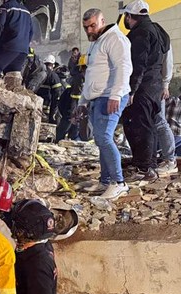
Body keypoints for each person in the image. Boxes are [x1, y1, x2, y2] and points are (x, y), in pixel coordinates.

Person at [73, 9, 132, 200]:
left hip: (110, 96)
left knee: (104, 137)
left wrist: (115, 95)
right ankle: (106, 181)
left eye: (93, 25)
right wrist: (83, 101)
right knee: (101, 139)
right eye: (86, 27)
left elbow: (123, 67)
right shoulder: (97, 42)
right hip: (98, 97)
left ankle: (119, 183)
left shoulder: (115, 38)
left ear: (102, 21)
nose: (89, 30)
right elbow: (91, 75)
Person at [121, 0, 170, 183]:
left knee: (139, 126)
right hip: (155, 86)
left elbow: (138, 64)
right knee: (149, 126)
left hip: (142, 87)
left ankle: (144, 168)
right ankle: (149, 165)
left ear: (130, 16)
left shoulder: (140, 33)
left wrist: (131, 90)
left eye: (126, 16)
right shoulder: (158, 30)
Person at [0, 0, 33, 80]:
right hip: (23, 51)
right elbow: (31, 31)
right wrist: (25, 45)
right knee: (12, 76)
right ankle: (12, 91)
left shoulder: (5, 8)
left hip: (9, 47)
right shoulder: (27, 11)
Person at [155, 44, 177, 176]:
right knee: (154, 123)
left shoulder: (160, 37)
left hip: (156, 85)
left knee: (160, 122)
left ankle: (170, 160)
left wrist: (165, 84)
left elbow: (167, 62)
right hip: (150, 85)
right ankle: (166, 159)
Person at [37, 55, 64, 124]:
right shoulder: (53, 76)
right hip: (47, 105)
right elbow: (57, 93)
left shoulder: (38, 73)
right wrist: (54, 110)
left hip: (36, 104)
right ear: (53, 65)